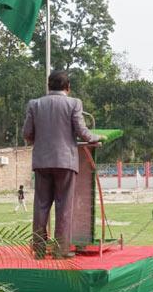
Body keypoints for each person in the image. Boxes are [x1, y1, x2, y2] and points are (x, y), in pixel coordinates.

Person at [23, 70, 98, 259]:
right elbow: (82, 131)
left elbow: (27, 133)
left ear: (48, 86)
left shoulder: (35, 104)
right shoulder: (74, 103)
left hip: (41, 161)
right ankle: (60, 250)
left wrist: (38, 141)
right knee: (64, 206)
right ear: (68, 87)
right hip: (65, 161)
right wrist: (96, 138)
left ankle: (39, 250)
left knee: (41, 206)